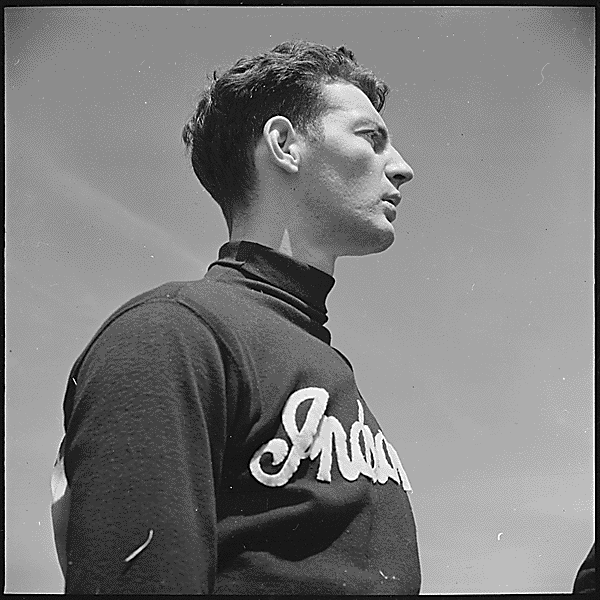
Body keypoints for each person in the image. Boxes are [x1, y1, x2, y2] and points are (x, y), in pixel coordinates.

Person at [51, 40, 419, 594]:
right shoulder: (174, 334)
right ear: (284, 145)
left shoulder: (326, 363)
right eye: (371, 138)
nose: (402, 167)